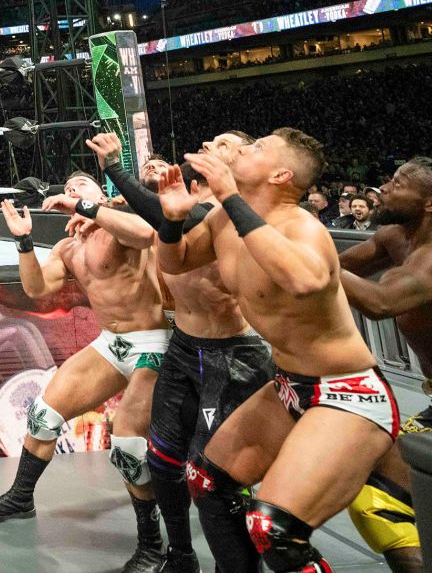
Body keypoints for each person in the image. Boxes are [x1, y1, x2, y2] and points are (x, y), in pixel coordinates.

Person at [157, 129, 397, 573]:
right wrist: (170, 221)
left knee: (275, 529)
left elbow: (302, 281)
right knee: (207, 481)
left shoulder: (303, 228)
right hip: (288, 386)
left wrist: (230, 195)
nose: (245, 148)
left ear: (281, 175)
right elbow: (175, 262)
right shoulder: (224, 221)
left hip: (345, 392)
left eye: (258, 147)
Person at [95, 130, 273, 573]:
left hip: (231, 354)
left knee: (218, 474)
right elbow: (160, 224)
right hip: (183, 347)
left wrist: (114, 171)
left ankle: (236, 562)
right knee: (162, 458)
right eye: (211, 139)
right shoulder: (180, 203)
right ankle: (179, 554)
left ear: (244, 161)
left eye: (227, 143)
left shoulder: (227, 210)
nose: (212, 143)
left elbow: (173, 217)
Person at [0, 173, 170, 572]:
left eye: (81, 184)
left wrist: (91, 210)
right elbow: (36, 289)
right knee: (42, 414)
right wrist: (24, 241)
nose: (71, 189)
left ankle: (153, 544)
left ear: (100, 194)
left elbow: (147, 234)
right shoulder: (69, 247)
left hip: (153, 343)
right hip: (111, 343)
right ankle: (21, 496)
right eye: (67, 187)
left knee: (129, 450)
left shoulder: (121, 220)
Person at [336, 157, 432, 573]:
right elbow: (336, 271)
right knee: (380, 500)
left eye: (399, 183)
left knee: (379, 496)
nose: (384, 187)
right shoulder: (395, 237)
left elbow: (381, 302)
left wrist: (299, 252)